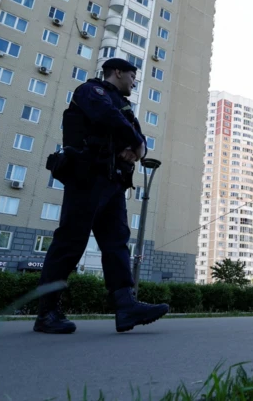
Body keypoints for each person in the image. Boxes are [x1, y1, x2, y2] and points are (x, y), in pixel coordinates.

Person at [35, 58, 169, 334]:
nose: (134, 81)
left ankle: (126, 307)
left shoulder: (124, 106)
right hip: (87, 176)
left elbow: (140, 143)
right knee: (70, 242)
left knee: (117, 243)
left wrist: (137, 146)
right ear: (117, 72)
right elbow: (106, 117)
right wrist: (134, 141)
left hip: (113, 181)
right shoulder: (91, 91)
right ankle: (47, 312)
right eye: (133, 76)